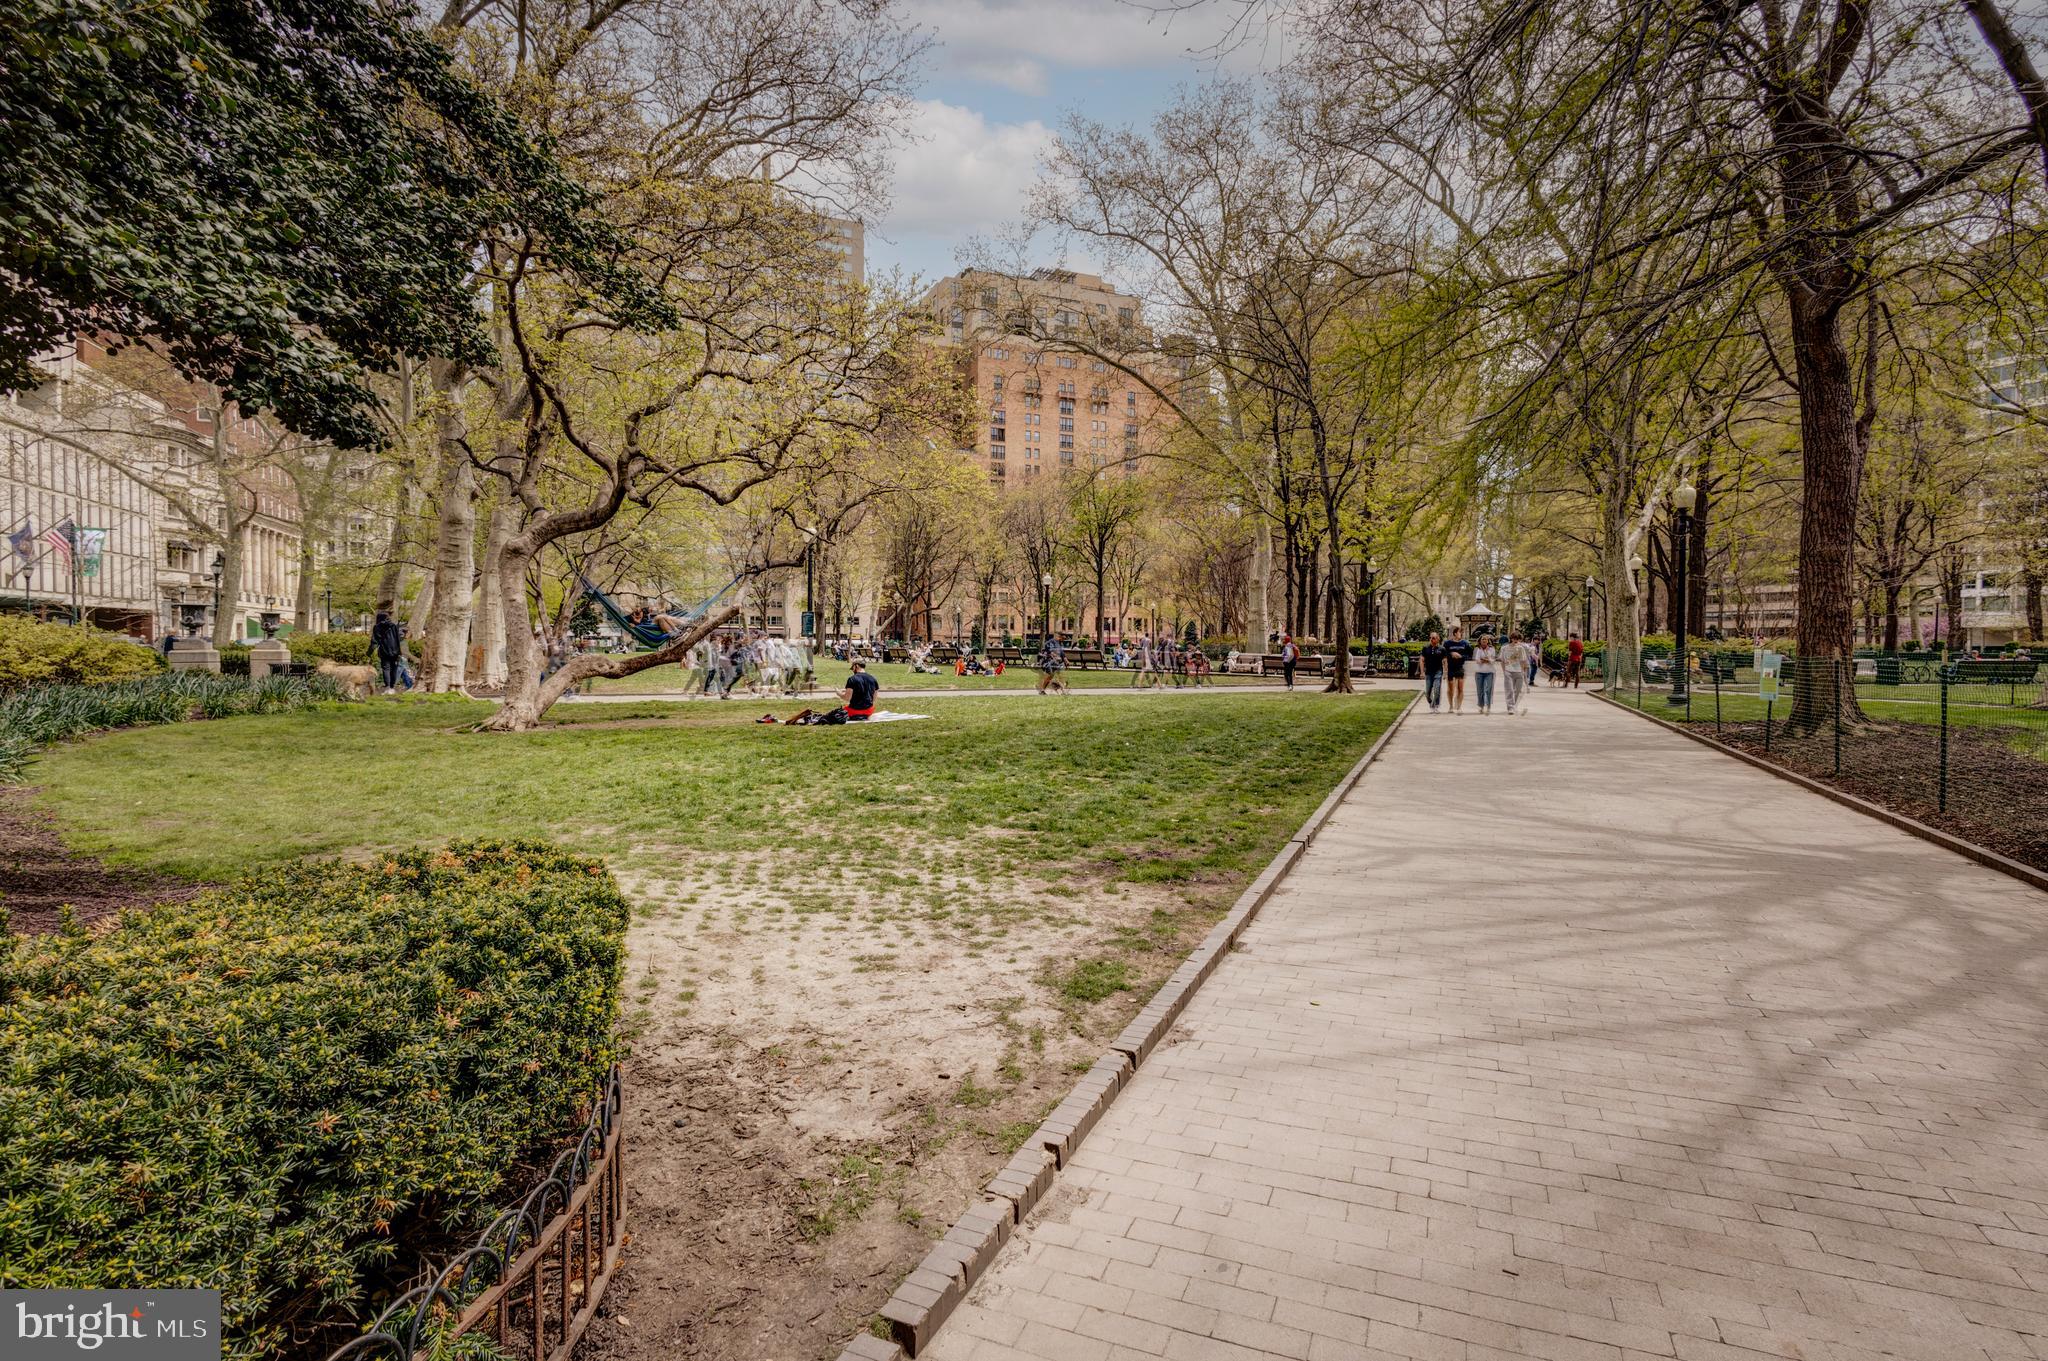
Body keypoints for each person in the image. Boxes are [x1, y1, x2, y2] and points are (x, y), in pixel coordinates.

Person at [371, 611, 404, 694]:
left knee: (386, 669)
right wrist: (399, 652)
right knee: (394, 668)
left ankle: (388, 687)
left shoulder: (377, 627)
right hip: (395, 651)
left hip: (384, 651)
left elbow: (375, 640)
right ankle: (392, 687)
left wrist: (370, 651)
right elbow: (397, 639)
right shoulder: (393, 626)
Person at [1501, 631, 1531, 716]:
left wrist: (1523, 672)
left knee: (1518, 691)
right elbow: (1502, 661)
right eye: (1514, 638)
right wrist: (1504, 671)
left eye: (1517, 639)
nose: (1516, 640)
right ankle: (1510, 707)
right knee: (1509, 690)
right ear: (1511, 638)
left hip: (1518, 672)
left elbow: (1523, 661)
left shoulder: (1521, 648)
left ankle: (1514, 706)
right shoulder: (1505, 648)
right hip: (1508, 671)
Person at [1444, 626, 1472, 713]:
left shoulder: (1465, 643)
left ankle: (1459, 707)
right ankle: (1451, 706)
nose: (1461, 634)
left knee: (1460, 689)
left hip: (1460, 667)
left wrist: (1461, 656)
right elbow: (1443, 654)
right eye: (1460, 632)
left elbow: (1470, 655)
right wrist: (1451, 654)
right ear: (1455, 633)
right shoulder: (1447, 643)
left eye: (1462, 632)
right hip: (1450, 668)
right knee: (1450, 689)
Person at [1472, 634, 1499, 714]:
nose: (1484, 640)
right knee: (1480, 690)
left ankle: (1488, 706)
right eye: (1482, 639)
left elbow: (1493, 661)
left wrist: (1485, 659)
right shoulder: (1477, 649)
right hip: (1479, 672)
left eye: (1485, 639)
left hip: (1489, 672)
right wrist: (1487, 660)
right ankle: (1481, 706)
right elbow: (1477, 661)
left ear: (1488, 641)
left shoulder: (1492, 649)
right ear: (1480, 641)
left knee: (1488, 690)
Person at [1421, 631, 1447, 711]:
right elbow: (1422, 660)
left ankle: (1436, 705)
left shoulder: (1442, 649)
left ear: (1438, 639)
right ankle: (1431, 702)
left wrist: (1445, 672)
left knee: (1436, 689)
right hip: (1428, 673)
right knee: (1428, 692)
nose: (1431, 639)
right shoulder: (1425, 648)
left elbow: (1445, 661)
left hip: (1438, 672)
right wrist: (1422, 672)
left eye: (1433, 638)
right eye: (1430, 638)